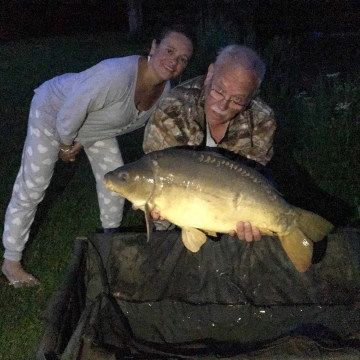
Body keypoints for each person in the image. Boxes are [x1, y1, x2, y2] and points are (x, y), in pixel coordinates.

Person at [1, 24, 194, 287]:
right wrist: (68, 145)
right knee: (33, 186)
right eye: (169, 51)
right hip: (53, 111)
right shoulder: (116, 75)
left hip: (93, 125)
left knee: (115, 181)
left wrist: (85, 138)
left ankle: (109, 245)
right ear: (152, 47)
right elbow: (69, 114)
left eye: (183, 59)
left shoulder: (165, 93)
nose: (174, 61)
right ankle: (10, 263)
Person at [142, 44, 277, 243]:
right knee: (161, 227)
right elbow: (153, 166)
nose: (222, 106)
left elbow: (253, 180)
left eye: (237, 100)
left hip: (226, 204)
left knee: (248, 231)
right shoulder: (173, 107)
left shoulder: (261, 120)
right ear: (210, 74)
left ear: (252, 96)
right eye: (218, 91)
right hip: (176, 197)